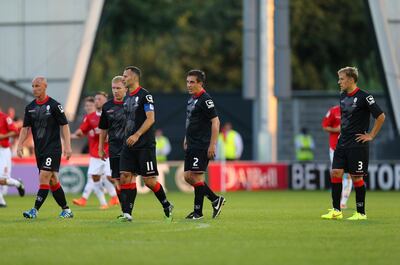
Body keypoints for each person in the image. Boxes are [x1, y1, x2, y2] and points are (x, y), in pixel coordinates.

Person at [321, 67, 385, 220]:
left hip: (357, 144)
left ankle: (361, 213)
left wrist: (371, 135)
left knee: (356, 177)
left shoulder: (365, 97)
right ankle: (336, 210)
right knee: (335, 172)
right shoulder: (342, 96)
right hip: (342, 142)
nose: (339, 82)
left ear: (350, 79)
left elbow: (381, 116)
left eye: (341, 79)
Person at [118, 66, 173, 222]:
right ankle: (127, 213)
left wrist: (137, 134)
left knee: (149, 181)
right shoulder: (127, 97)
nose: (123, 78)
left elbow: (150, 118)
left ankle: (166, 204)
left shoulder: (145, 96)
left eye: (125, 76)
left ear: (135, 78)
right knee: (125, 176)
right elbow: (128, 120)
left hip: (144, 144)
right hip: (128, 144)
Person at [17, 76, 73, 219]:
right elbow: (25, 128)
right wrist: (19, 145)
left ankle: (34, 210)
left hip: (53, 148)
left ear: (45, 86)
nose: (35, 89)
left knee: (44, 176)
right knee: (53, 180)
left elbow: (65, 125)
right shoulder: (30, 107)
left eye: (38, 86)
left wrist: (67, 146)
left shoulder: (55, 105)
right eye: (33, 86)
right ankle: (66, 210)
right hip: (39, 150)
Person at [183, 69, 226, 220]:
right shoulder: (191, 99)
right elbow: (190, 120)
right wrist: (186, 138)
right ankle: (215, 199)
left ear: (200, 83)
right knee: (188, 176)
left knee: (197, 177)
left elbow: (216, 121)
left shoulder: (205, 99)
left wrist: (212, 145)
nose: (188, 85)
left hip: (202, 144)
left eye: (192, 82)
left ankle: (198, 212)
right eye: (187, 82)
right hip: (192, 142)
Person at [72, 92, 119, 209]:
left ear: (105, 100)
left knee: (110, 177)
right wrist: (72, 134)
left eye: (99, 99)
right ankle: (104, 202)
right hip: (95, 154)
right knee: (94, 177)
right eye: (96, 99)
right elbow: (82, 130)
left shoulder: (110, 113)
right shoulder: (90, 118)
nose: (97, 101)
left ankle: (120, 194)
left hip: (109, 152)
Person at [98, 75, 127, 213]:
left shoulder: (131, 103)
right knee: (116, 179)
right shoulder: (107, 106)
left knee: (126, 177)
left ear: (125, 88)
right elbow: (103, 128)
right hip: (114, 147)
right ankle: (124, 209)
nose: (116, 91)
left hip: (130, 147)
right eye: (113, 88)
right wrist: (101, 147)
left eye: (118, 88)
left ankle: (128, 208)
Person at [322, 105, 352, 209]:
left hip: (350, 147)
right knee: (337, 173)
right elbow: (325, 126)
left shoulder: (354, 110)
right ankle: (337, 202)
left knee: (348, 175)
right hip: (335, 148)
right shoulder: (333, 111)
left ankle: (343, 202)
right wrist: (337, 129)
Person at [0, 109, 25, 207]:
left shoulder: (5, 118)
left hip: (3, 151)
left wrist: (3, 136)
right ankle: (1, 201)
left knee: (3, 179)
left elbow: (15, 131)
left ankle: (18, 184)